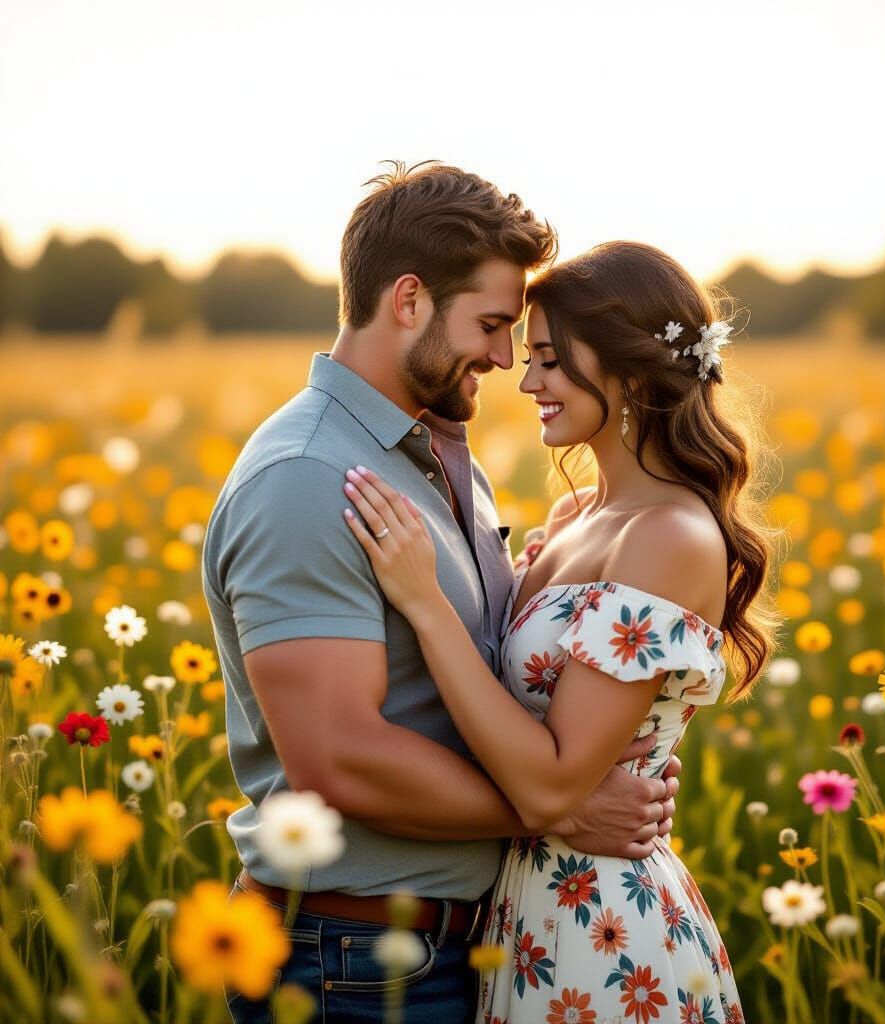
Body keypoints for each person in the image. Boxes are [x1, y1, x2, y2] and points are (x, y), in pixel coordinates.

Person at [201, 164, 685, 1024]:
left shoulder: (431, 456)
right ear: (410, 300)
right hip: (353, 963)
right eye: (493, 325)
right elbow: (339, 758)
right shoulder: (311, 478)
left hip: (457, 947)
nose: (505, 358)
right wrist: (559, 806)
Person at [343, 240, 782, 1023]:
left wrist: (423, 600)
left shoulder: (671, 538)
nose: (526, 377)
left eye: (548, 358)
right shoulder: (576, 518)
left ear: (630, 373)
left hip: (606, 935)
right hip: (522, 914)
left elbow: (550, 781)